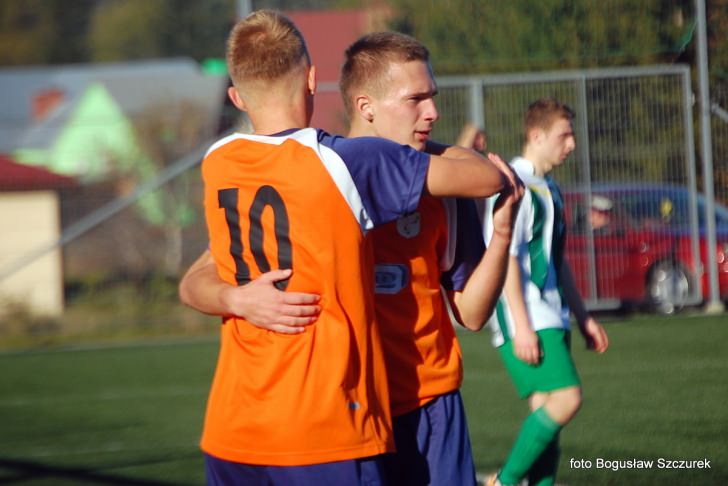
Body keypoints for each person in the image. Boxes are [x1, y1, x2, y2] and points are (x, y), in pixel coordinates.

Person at [188, 10, 513, 486]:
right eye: (416, 99)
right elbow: (488, 178)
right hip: (328, 420)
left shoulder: (222, 163)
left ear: (236, 96)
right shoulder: (345, 163)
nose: (430, 112)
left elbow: (194, 280)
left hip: (248, 422)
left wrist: (233, 298)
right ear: (314, 81)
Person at [340, 32, 522, 485]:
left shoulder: (446, 184)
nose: (433, 112)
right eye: (415, 99)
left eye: (432, 97)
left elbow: (473, 313)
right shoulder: (319, 178)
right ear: (367, 107)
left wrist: (501, 235)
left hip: (431, 403)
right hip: (348, 408)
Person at [482, 98, 609, 486]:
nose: (571, 143)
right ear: (536, 135)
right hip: (527, 316)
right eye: (564, 135)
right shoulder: (513, 183)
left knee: (547, 417)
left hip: (553, 315)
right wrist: (521, 326)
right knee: (567, 399)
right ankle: (501, 483)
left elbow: (557, 260)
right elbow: (505, 257)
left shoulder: (548, 187)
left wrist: (583, 316)